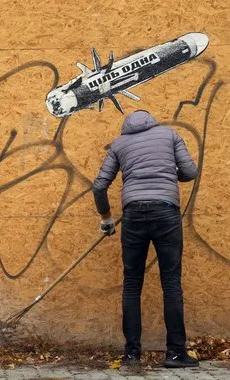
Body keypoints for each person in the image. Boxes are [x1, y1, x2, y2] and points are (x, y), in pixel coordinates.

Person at [92, 110, 199, 368]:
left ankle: (131, 354)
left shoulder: (119, 144)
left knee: (132, 284)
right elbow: (190, 171)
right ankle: (175, 354)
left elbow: (99, 186)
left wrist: (106, 217)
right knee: (171, 282)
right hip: (165, 212)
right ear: (152, 121)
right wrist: (170, 174)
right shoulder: (169, 135)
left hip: (134, 215)